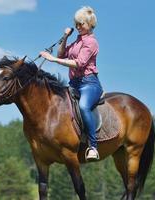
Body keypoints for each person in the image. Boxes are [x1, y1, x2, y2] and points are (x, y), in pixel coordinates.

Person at [40, 6, 103, 161]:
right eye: (77, 24)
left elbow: (79, 63)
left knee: (83, 106)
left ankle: (93, 147)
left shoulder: (91, 42)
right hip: (73, 83)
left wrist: (53, 60)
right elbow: (61, 53)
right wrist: (65, 37)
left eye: (81, 24)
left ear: (90, 24)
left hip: (89, 83)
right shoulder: (77, 42)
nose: (78, 27)